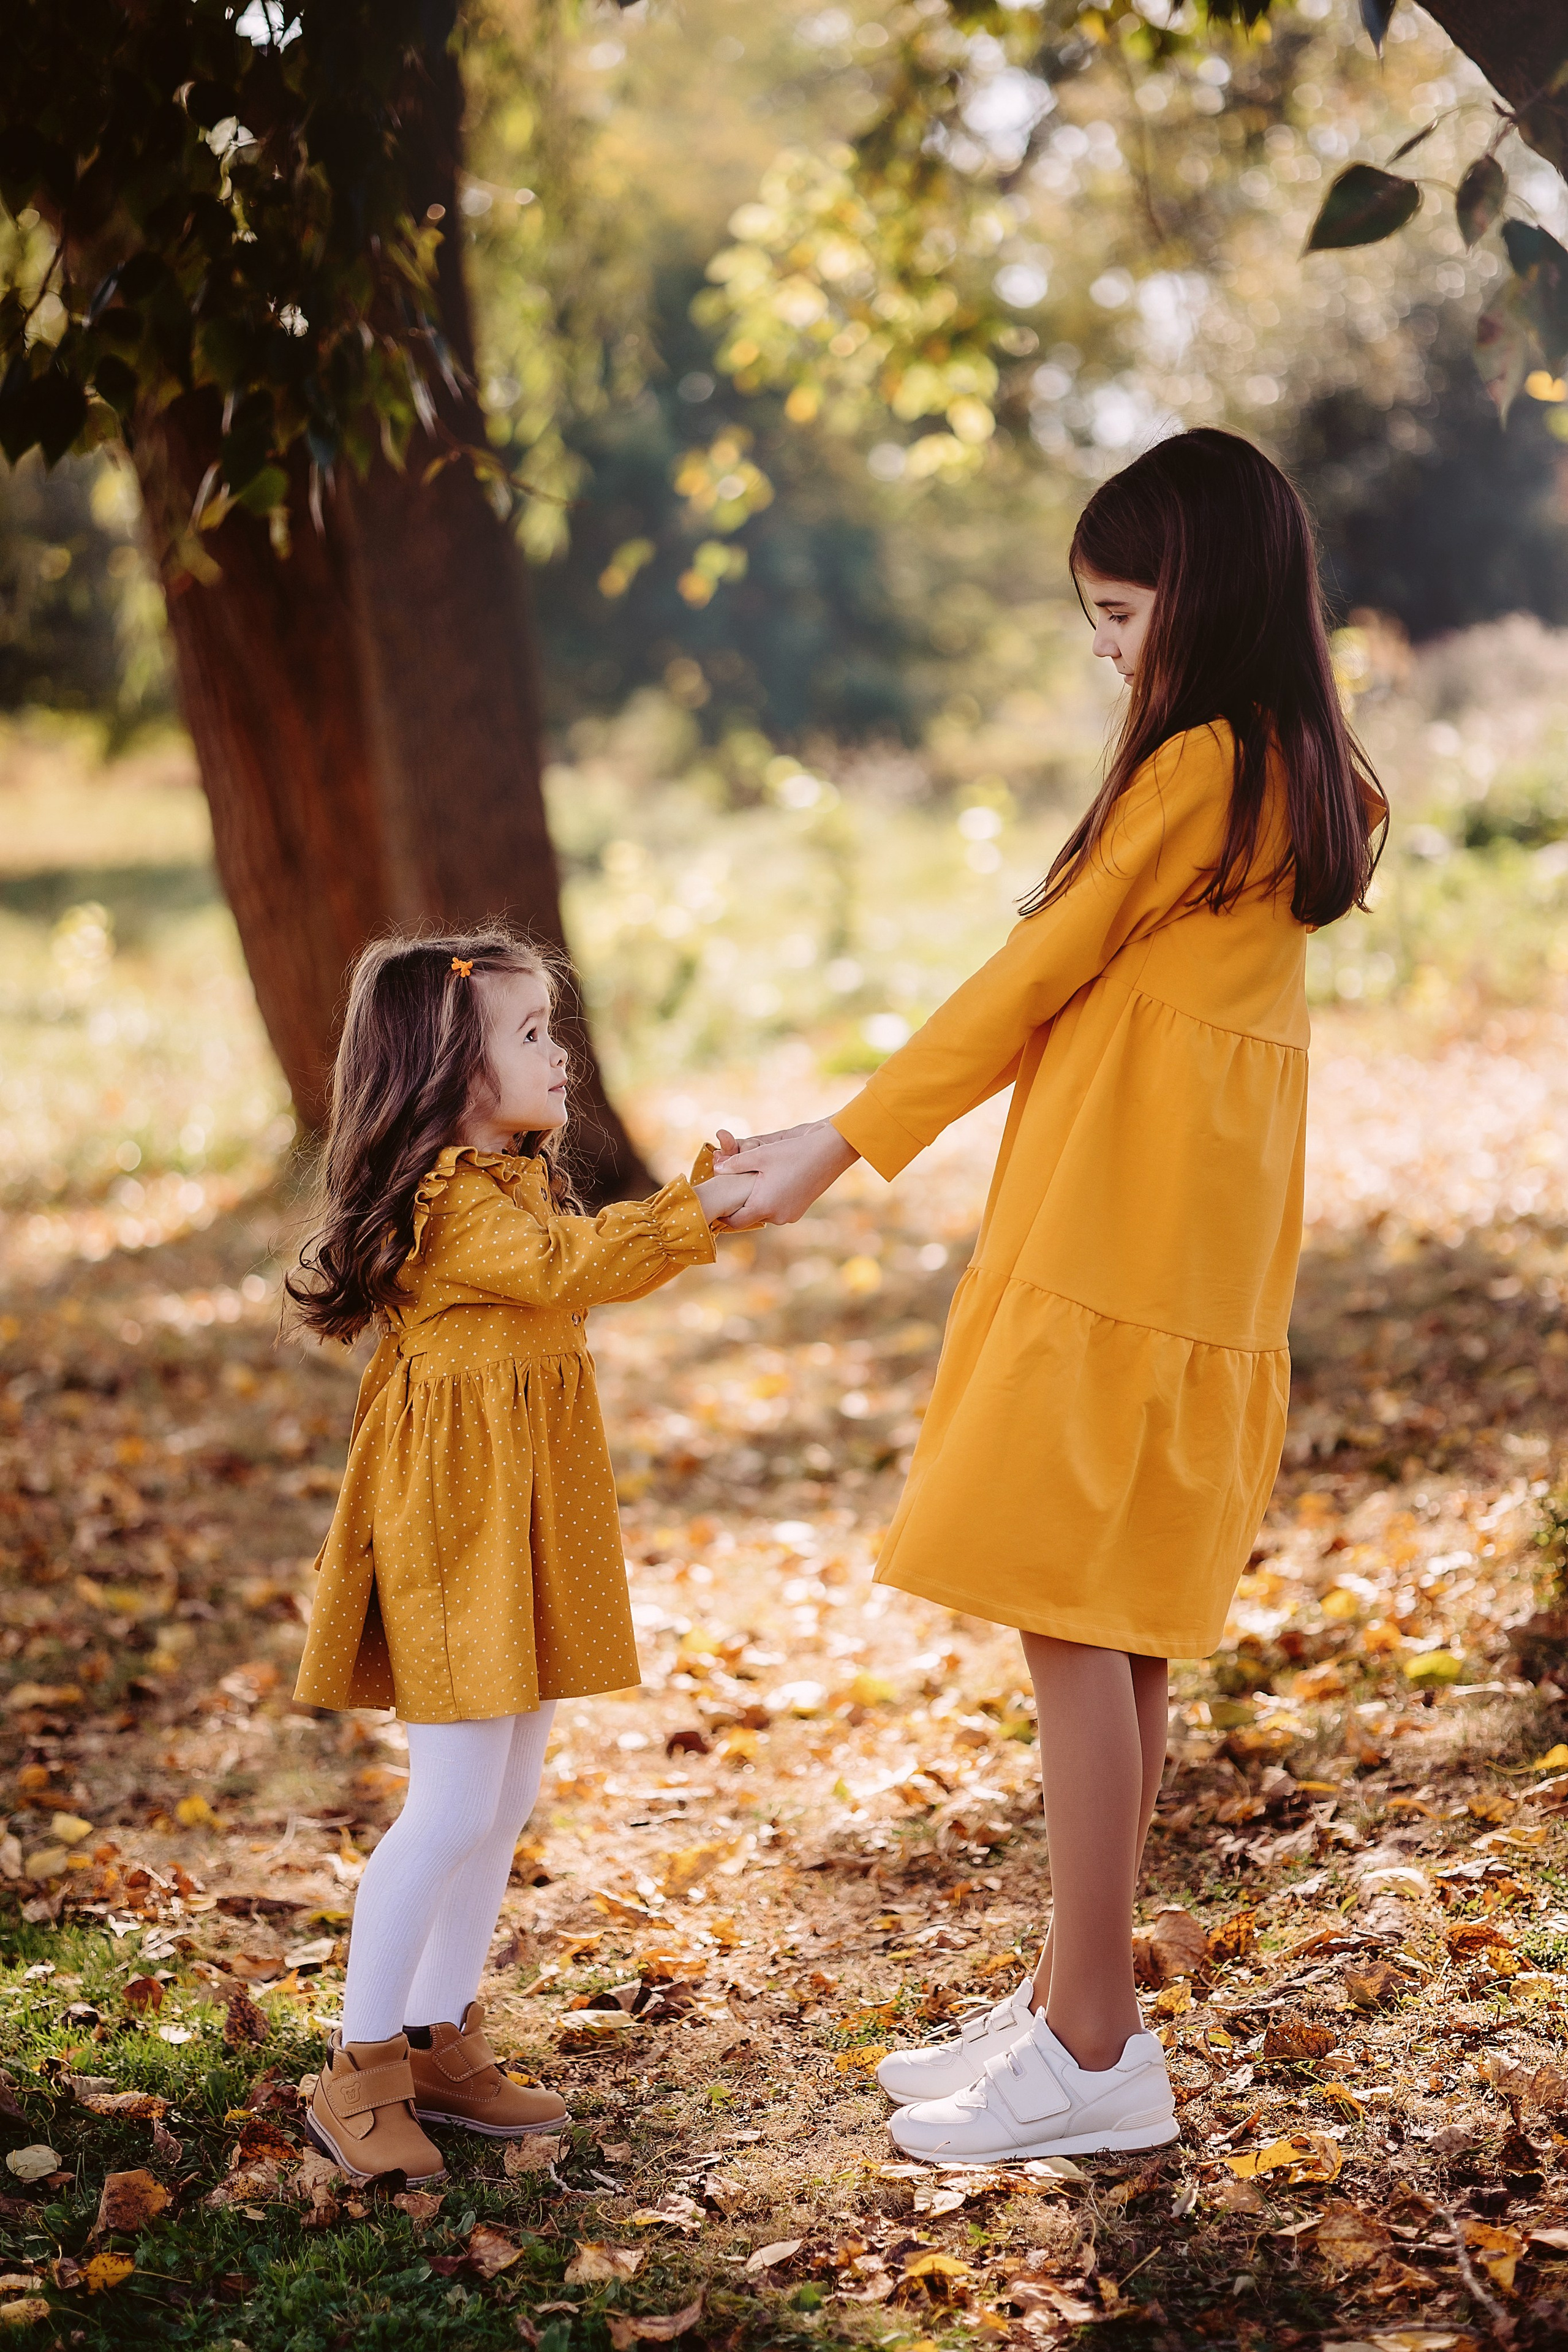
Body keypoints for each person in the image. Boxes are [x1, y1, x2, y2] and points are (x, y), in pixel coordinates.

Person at [718, 428, 1385, 2165]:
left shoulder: (1199, 770)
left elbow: (1028, 977)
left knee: (1068, 1618)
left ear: (1204, 597)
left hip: (1112, 1249)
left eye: (1118, 614)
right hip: (1183, 1261)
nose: (1105, 649)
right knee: (1117, 1624)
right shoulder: (1302, 772)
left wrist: (836, 1144)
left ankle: (1093, 2049)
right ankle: (1072, 1999)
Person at [286, 929, 755, 2184]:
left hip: (523, 1519)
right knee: (448, 1804)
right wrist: (694, 1212)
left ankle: (438, 2038)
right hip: (456, 1532)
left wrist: (690, 1197)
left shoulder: (512, 1182)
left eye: (554, 1029)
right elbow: (566, 1269)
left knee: (501, 1803)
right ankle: (356, 2068)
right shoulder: (449, 1207)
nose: (561, 1056)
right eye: (532, 1034)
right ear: (447, 1070)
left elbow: (571, 1265)